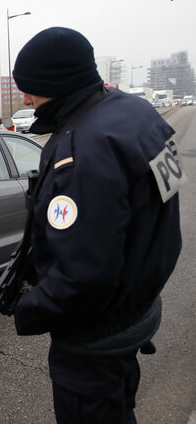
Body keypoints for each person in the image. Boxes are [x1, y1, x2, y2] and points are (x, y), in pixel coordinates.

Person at [10, 27, 182, 423]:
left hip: (95, 341)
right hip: (136, 309)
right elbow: (165, 213)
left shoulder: (85, 155)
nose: (25, 99)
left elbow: (83, 279)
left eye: (31, 87)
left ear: (57, 83)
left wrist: (28, 308)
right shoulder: (137, 115)